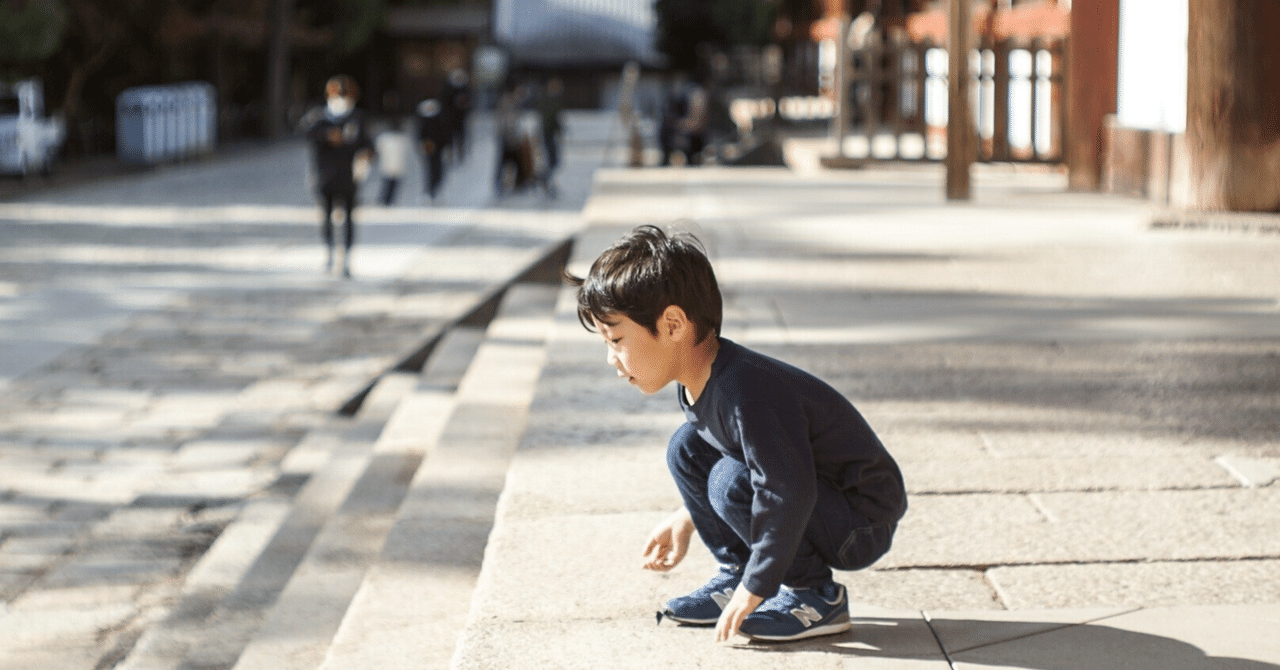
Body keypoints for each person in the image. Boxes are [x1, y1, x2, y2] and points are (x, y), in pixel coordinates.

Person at [568, 225, 907, 643]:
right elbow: (749, 459)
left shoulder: (748, 394)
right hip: (818, 497)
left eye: (616, 339)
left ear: (673, 325)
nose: (611, 358)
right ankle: (736, 570)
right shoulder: (700, 385)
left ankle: (815, 594)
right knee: (687, 448)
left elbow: (786, 491)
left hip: (860, 520)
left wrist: (758, 586)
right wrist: (687, 517)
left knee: (730, 482)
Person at [303, 74, 373, 278]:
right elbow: (307, 134)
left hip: (349, 177)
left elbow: (368, 145)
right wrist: (327, 136)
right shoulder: (320, 118)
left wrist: (365, 158)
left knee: (349, 218)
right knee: (327, 216)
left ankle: (347, 258)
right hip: (325, 176)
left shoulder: (357, 118)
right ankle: (330, 253)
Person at [416, 98, 450, 201]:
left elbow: (444, 134)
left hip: (439, 149)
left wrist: (447, 147)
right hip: (428, 150)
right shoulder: (422, 120)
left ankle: (436, 189)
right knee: (429, 171)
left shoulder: (440, 119)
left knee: (439, 170)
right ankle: (429, 191)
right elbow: (420, 135)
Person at [536, 78, 564, 196]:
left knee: (554, 161)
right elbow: (552, 118)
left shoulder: (553, 100)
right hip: (547, 133)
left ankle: (545, 179)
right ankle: (544, 179)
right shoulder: (548, 100)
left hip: (550, 133)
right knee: (552, 160)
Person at [375, 117, 410, 206]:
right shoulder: (388, 138)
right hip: (389, 164)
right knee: (387, 184)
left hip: (395, 164)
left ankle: (389, 200)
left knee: (392, 184)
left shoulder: (401, 139)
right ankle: (384, 200)